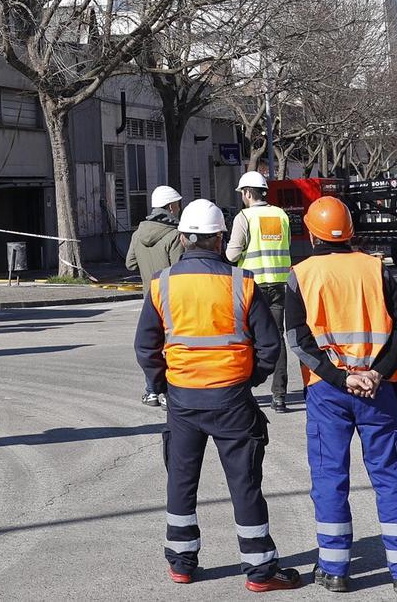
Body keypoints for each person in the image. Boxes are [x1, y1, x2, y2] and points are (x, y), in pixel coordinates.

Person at [137, 199, 301, 592]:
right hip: (231, 398)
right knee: (244, 483)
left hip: (183, 399)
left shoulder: (163, 282)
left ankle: (181, 564)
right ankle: (260, 570)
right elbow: (269, 346)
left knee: (181, 480)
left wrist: (161, 384)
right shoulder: (241, 282)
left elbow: (146, 346)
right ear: (219, 238)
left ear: (182, 238)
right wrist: (249, 380)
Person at [286, 196, 397, 596]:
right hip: (378, 390)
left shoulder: (301, 275)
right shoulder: (375, 269)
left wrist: (340, 378)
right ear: (350, 231)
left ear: (313, 235)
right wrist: (375, 372)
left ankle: (334, 568)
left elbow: (298, 342)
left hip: (327, 393)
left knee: (329, 477)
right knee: (389, 479)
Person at [228, 170, 296, 414]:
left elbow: (232, 254)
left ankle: (243, 391)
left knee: (246, 339)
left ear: (247, 193)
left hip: (252, 286)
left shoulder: (244, 218)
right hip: (279, 284)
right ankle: (279, 396)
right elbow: (285, 245)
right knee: (277, 338)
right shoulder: (281, 215)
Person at [128, 185, 187, 407]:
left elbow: (130, 263)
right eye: (177, 204)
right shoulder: (174, 235)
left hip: (149, 298)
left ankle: (151, 391)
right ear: (170, 206)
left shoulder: (138, 233)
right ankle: (167, 392)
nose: (179, 208)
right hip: (172, 299)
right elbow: (179, 269)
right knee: (171, 346)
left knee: (152, 345)